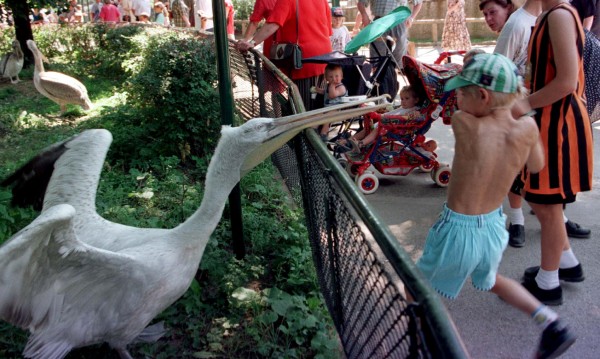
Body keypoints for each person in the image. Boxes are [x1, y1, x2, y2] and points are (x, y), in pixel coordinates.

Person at [416, 53, 576, 358]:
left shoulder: (465, 123)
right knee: (489, 280)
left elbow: (463, 115)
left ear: (483, 96)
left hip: (457, 229)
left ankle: (450, 350)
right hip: (492, 228)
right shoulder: (527, 129)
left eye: (462, 92)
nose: (458, 99)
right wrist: (519, 118)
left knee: (416, 289)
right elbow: (538, 164)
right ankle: (551, 323)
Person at [513, 0, 593, 307]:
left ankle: (548, 283)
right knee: (539, 198)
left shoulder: (559, 15)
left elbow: (566, 82)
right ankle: (568, 264)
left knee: (547, 206)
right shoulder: (553, 15)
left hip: (557, 125)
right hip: (548, 121)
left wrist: (525, 103)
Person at [235, 0, 332, 111]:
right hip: (324, 57)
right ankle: (318, 127)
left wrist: (251, 43)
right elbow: (328, 31)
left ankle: (306, 127)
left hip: (303, 60)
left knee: (303, 107)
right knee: (319, 102)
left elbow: (273, 23)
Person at [340, 85, 423, 151]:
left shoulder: (414, 110)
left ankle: (361, 144)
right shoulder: (402, 107)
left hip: (396, 129)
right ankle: (349, 141)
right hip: (389, 124)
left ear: (416, 100)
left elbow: (409, 117)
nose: (403, 101)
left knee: (376, 130)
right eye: (402, 99)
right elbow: (390, 113)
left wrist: (379, 116)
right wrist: (379, 115)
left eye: (407, 98)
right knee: (367, 128)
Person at [357, 0, 422, 69]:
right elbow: (361, 2)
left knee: (398, 58)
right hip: (379, 22)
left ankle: (393, 77)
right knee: (377, 58)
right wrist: (364, 15)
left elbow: (419, 2)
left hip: (398, 21)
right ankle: (378, 78)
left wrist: (411, 18)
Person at [311, 64, 348, 140]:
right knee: (318, 114)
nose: (334, 79)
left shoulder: (341, 87)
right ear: (326, 78)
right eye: (331, 77)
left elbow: (332, 95)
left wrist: (332, 86)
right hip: (327, 108)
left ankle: (323, 134)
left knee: (327, 117)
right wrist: (319, 90)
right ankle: (313, 129)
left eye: (336, 76)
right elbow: (326, 92)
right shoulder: (329, 86)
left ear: (341, 76)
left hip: (338, 109)